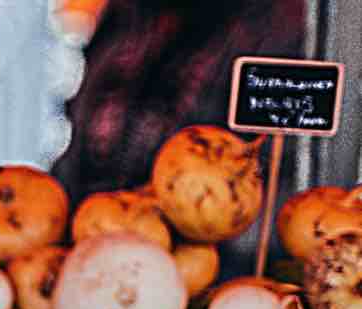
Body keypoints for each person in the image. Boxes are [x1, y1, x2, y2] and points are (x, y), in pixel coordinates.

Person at [52, 0, 305, 197]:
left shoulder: (280, 25)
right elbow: (78, 141)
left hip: (207, 254)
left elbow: (280, 190)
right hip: (85, 241)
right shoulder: (129, 12)